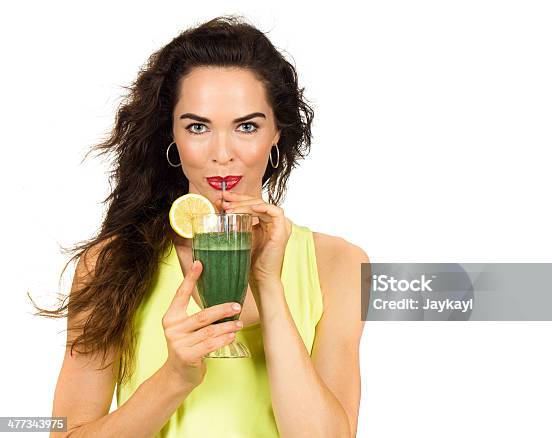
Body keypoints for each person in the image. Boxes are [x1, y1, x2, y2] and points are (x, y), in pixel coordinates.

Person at [40, 14, 369, 438]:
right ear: (172, 137)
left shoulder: (341, 264)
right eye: (198, 127)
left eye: (247, 126)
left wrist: (268, 284)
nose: (222, 153)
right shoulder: (109, 263)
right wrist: (173, 378)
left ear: (276, 135)